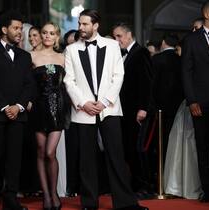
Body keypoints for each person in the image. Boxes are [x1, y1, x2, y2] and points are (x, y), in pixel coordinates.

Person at [64, 9, 148, 210]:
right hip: (83, 111)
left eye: (85, 24)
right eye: (80, 24)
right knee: (86, 159)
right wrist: (83, 103)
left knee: (116, 156)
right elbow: (69, 80)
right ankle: (89, 203)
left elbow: (118, 75)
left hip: (109, 109)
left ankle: (126, 203)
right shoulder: (71, 50)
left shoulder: (112, 46)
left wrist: (104, 101)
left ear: (95, 25)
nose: (81, 28)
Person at [0, 10, 33, 210]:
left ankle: (11, 199)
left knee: (14, 160)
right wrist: (4, 107)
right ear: (4, 30)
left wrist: (18, 107)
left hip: (18, 116)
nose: (20, 32)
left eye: (21, 28)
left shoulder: (25, 56)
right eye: (16, 28)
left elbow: (29, 85)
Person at [112, 23, 152, 195]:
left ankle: (143, 186)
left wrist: (143, 108)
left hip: (136, 111)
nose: (116, 40)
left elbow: (147, 82)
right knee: (128, 149)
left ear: (129, 35)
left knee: (137, 149)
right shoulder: (120, 55)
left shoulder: (141, 52)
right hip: (124, 111)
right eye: (114, 37)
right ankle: (135, 185)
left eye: (119, 36)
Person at [30, 22, 66, 210]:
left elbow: (68, 84)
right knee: (41, 151)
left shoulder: (62, 57)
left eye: (51, 33)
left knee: (50, 153)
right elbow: (26, 83)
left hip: (57, 108)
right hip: (37, 106)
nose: (47, 36)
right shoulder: (32, 56)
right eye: (44, 33)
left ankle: (53, 193)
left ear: (57, 36)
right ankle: (46, 195)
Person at [181, 0, 209, 203]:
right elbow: (186, 72)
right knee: (203, 148)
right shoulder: (191, 39)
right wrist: (192, 100)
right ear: (207, 14)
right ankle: (208, 190)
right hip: (201, 103)